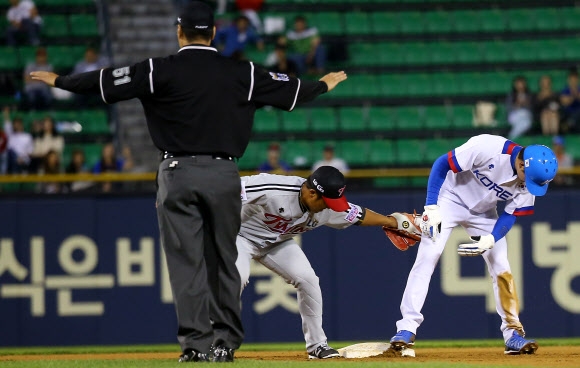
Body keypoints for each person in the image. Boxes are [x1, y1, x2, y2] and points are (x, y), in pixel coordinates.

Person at [29, 1, 347, 362]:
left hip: (176, 173)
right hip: (224, 173)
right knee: (225, 261)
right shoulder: (242, 73)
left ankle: (195, 347)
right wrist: (322, 84)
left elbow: (105, 82)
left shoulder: (157, 70)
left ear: (179, 32)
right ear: (213, 33)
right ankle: (225, 344)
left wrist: (60, 81)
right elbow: (294, 90)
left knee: (186, 265)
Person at [388, 134, 558, 356]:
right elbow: (442, 163)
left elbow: (510, 214)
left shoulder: (527, 176)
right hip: (449, 199)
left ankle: (513, 334)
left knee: (501, 265)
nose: (529, 185)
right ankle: (407, 328)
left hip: (484, 214)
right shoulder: (488, 147)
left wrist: (492, 238)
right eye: (530, 179)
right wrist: (431, 207)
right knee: (428, 256)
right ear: (521, 164)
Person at [237, 166, 418, 359]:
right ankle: (215, 342)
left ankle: (317, 346)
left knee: (309, 281)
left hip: (277, 243)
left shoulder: (328, 206)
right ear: (312, 193)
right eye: (328, 201)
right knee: (237, 278)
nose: (331, 206)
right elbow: (225, 189)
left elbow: (360, 215)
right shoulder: (274, 187)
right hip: (239, 236)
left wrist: (394, 222)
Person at [3, 107, 33, 173]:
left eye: (19, 123)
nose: (17, 125)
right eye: (15, 123)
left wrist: (22, 158)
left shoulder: (27, 136)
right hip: (10, 158)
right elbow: (7, 124)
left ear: (22, 124)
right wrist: (6, 114)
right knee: (9, 152)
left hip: (23, 160)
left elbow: (30, 152)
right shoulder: (11, 135)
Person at [506, 75, 533, 140]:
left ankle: (510, 138)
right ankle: (511, 139)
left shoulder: (529, 95)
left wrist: (526, 103)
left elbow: (532, 108)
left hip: (526, 115)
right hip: (514, 115)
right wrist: (517, 104)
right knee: (525, 122)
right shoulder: (511, 95)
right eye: (518, 84)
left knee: (526, 122)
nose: (520, 86)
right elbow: (508, 108)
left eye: (522, 84)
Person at [560, 68, 580, 133]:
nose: (573, 81)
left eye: (575, 79)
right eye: (571, 79)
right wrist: (573, 95)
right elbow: (565, 102)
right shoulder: (565, 90)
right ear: (568, 80)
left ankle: (570, 123)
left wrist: (576, 93)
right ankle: (569, 123)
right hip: (568, 113)